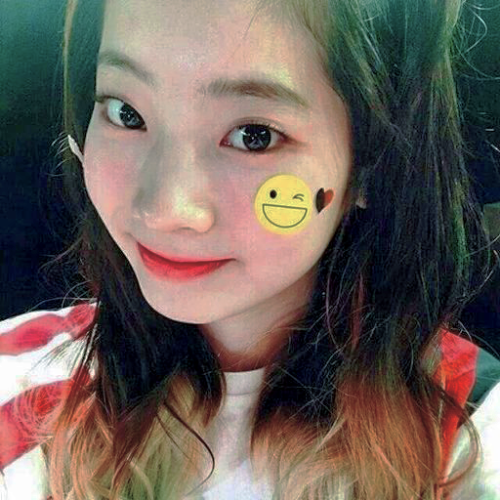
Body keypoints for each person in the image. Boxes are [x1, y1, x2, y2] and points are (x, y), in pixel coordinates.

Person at [1, 0, 499, 499]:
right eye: (126, 113)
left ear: (371, 163)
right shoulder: (24, 385)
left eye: (253, 137)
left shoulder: (469, 428)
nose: (165, 209)